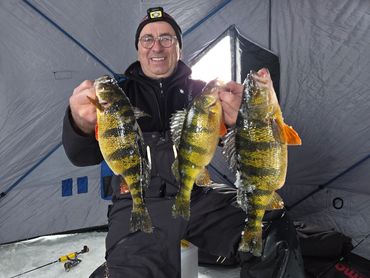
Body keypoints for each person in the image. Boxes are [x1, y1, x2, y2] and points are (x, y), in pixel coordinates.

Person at [62, 6, 305, 278]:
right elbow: (81, 156)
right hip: (139, 200)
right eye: (147, 39)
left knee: (271, 225)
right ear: (138, 49)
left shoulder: (205, 92)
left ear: (179, 48)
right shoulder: (117, 94)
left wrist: (243, 119)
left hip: (198, 196)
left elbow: (248, 145)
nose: (157, 47)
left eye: (166, 38)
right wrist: (79, 122)